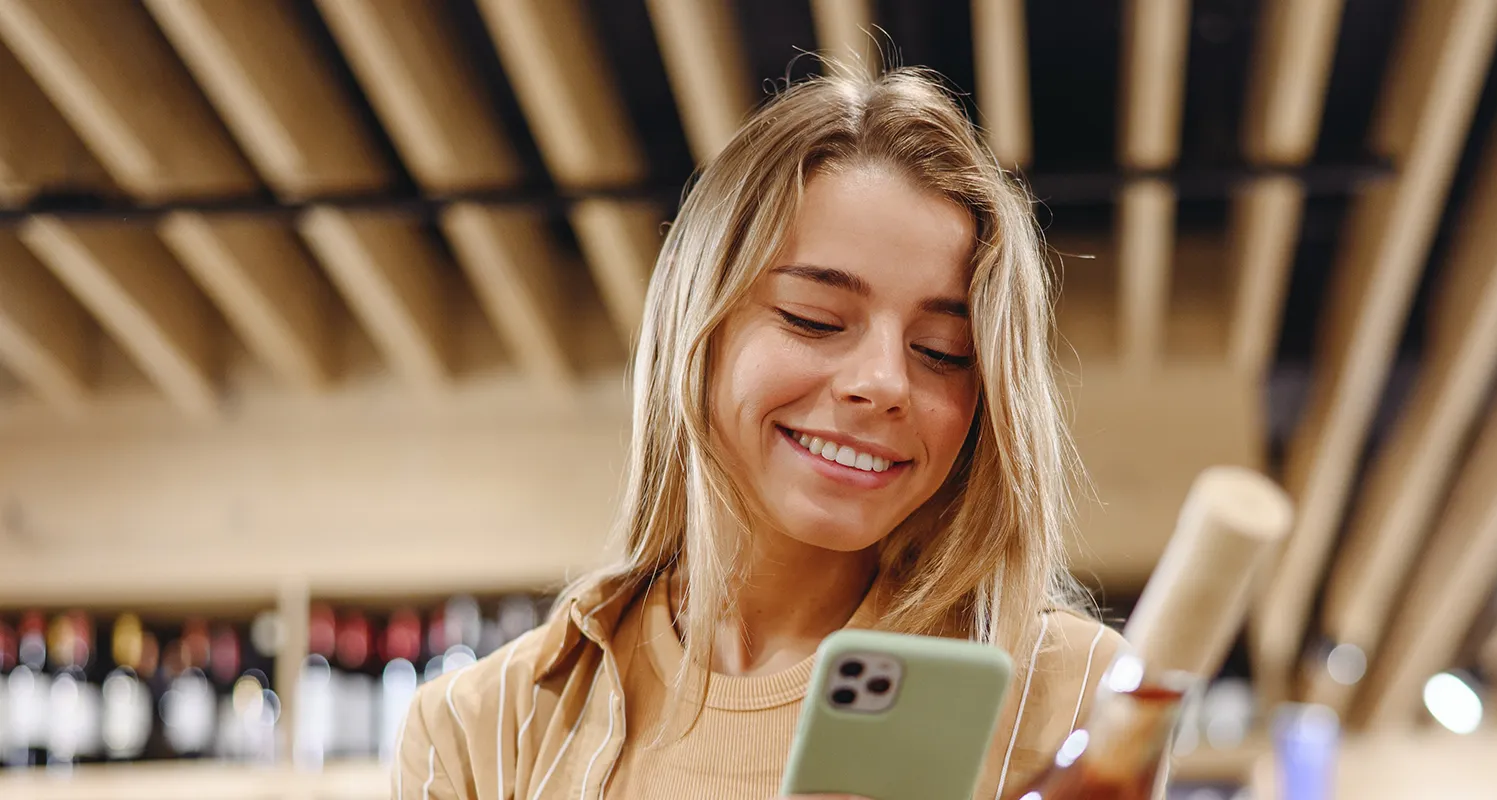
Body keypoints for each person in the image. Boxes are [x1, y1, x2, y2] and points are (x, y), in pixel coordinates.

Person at [392, 66, 1126, 800]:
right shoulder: (482, 731)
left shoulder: (1073, 697)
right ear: (695, 318)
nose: (886, 383)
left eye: (942, 352)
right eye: (815, 319)